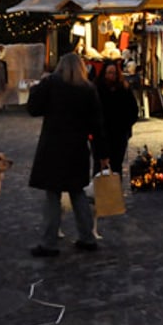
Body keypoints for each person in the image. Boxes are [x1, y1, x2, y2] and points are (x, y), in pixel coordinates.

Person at [27, 52, 109, 257]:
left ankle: (49, 243)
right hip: (77, 149)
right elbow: (97, 125)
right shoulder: (88, 89)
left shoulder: (51, 84)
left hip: (53, 147)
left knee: (53, 196)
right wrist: (102, 153)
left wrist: (36, 88)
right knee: (78, 193)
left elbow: (34, 109)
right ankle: (87, 237)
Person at [94, 60, 139, 177]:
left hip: (119, 133)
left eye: (114, 73)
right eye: (109, 73)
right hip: (101, 134)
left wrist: (126, 125)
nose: (111, 76)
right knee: (99, 165)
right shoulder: (97, 89)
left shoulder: (124, 89)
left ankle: (115, 191)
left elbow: (133, 110)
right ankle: (99, 191)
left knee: (116, 165)